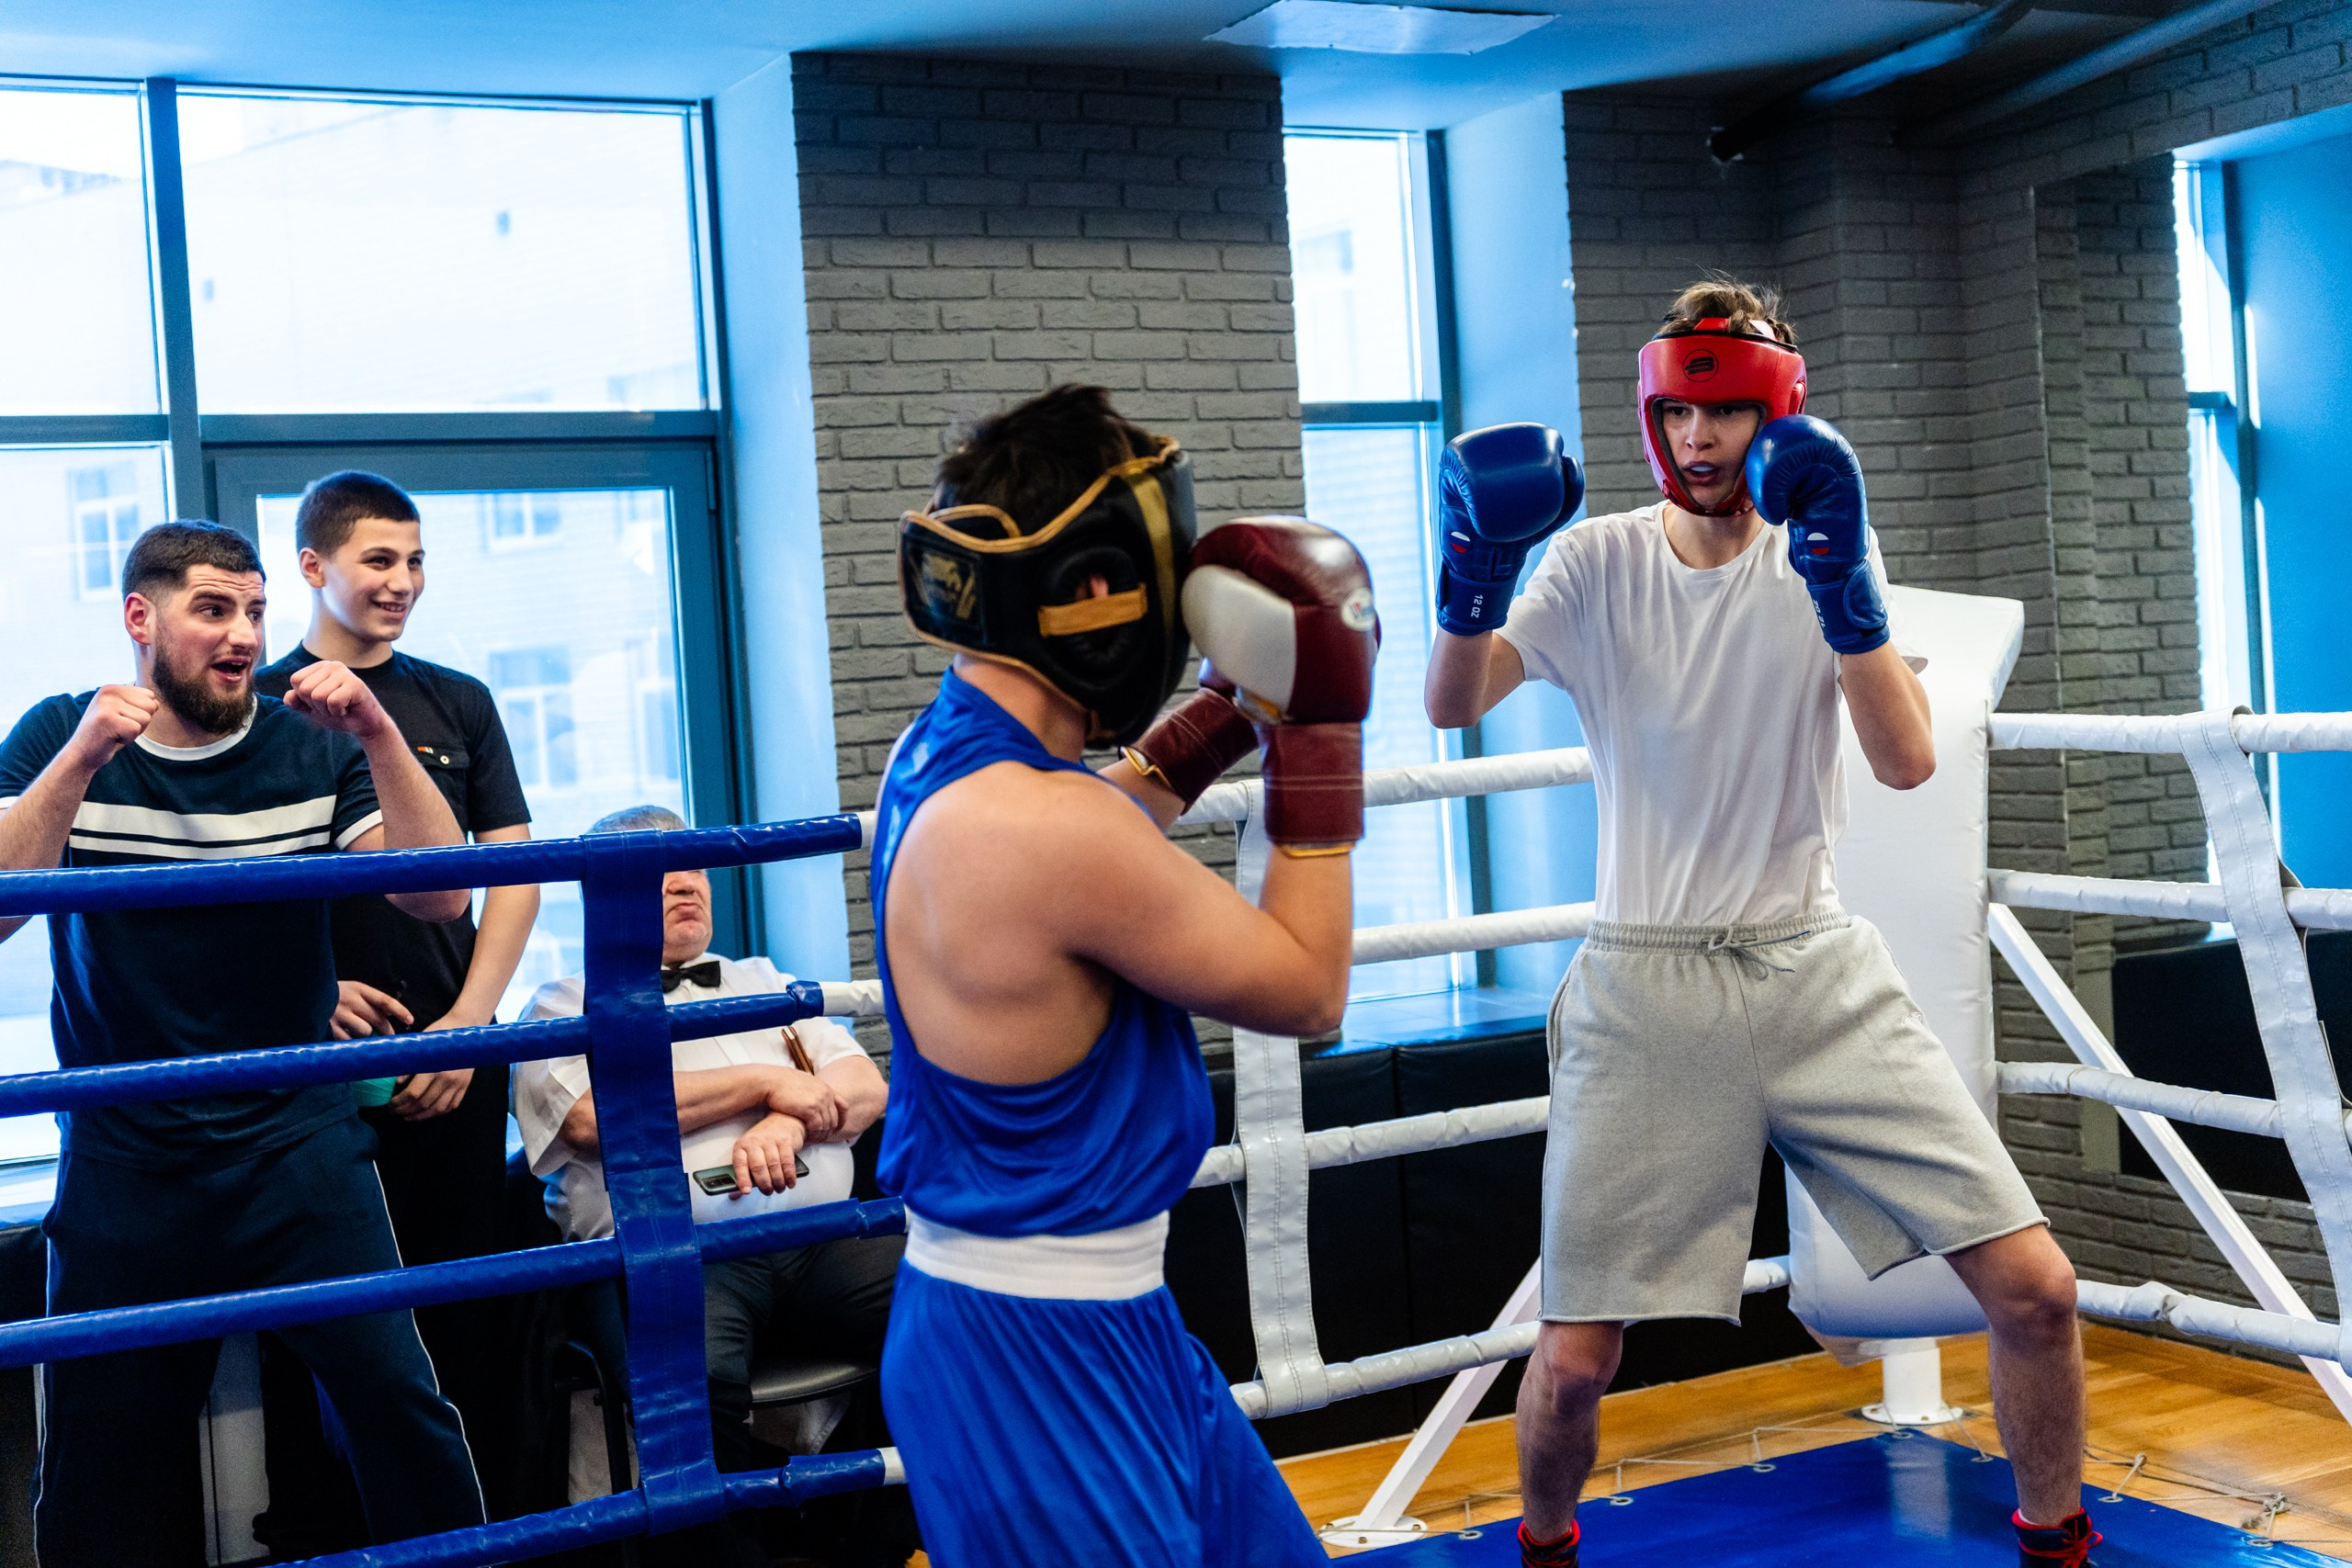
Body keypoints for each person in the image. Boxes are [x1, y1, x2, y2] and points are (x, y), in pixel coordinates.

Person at [1422, 279, 2096, 1568]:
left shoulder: (1825, 544)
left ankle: (2057, 1544)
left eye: (1725, 410)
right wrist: (1468, 573)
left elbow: (1904, 760)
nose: (1697, 438)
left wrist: (1846, 586)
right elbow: (1456, 702)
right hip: (1646, 986)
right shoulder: (1591, 559)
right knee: (1573, 1362)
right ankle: (1546, 1546)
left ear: (1777, 413)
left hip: (1814, 966)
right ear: (1649, 413)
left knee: (2038, 1288)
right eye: (1676, 409)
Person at [873, 383, 1377, 1567]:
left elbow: (1092, 830)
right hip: (1032, 1362)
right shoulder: (1037, 828)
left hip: (1101, 1327)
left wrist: (1223, 714)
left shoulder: (947, 758)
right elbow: (1310, 991)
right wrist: (1321, 725)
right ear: (1088, 592)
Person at [0, 521, 485, 1564]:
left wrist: (379, 738)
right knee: (100, 1452)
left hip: (295, 1144)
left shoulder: (308, 747)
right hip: (130, 1156)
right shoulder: (58, 732)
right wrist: (85, 755)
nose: (243, 636)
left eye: (255, 612)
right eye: (213, 610)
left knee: (401, 1411)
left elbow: (440, 895)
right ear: (141, 619)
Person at [252, 468, 537, 1547]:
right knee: (321, 1335)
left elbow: (516, 873)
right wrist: (303, 994)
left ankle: (490, 1536)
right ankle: (325, 1539)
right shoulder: (260, 700)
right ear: (315, 567)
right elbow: (234, 895)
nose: (403, 582)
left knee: (459, 1319)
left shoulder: (457, 699)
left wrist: (470, 1021)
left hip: (452, 1054)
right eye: (380, 560)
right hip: (312, 1077)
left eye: (415, 561)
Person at [514, 805, 912, 1568]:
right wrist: (769, 1081)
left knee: (951, 1303)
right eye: (658, 872)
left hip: (816, 1241)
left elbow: (864, 1084)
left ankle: (889, 1544)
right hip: (678, 1253)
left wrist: (786, 1125)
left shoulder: (764, 977)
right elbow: (595, 1119)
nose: (684, 884)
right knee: (687, 1383)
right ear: (605, 895)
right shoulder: (561, 1002)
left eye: (692, 865)